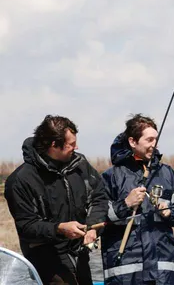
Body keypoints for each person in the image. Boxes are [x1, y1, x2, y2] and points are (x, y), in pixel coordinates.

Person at [5, 115, 108, 285]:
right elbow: (26, 226)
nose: (77, 147)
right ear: (54, 145)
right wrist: (59, 229)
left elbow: (99, 197)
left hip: (80, 257)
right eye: (71, 144)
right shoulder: (20, 181)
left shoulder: (80, 165)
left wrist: (93, 226)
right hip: (47, 263)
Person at [101, 114, 174, 285]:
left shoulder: (167, 173)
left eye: (156, 140)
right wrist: (125, 204)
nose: (154, 145)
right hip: (125, 272)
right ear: (133, 142)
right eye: (149, 139)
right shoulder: (110, 176)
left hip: (162, 271)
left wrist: (169, 212)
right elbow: (96, 216)